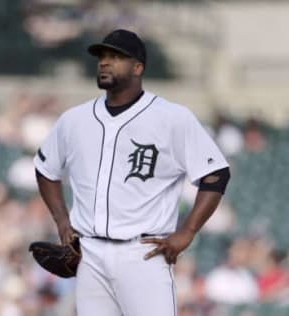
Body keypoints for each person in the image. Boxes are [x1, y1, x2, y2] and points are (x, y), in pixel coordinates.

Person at [34, 29, 231, 316]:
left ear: (138, 67)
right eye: (102, 56)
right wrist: (62, 220)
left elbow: (216, 173)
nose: (104, 62)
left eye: (115, 57)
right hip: (89, 253)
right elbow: (45, 169)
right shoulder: (73, 120)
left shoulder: (172, 118)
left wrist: (187, 231)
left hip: (143, 253)